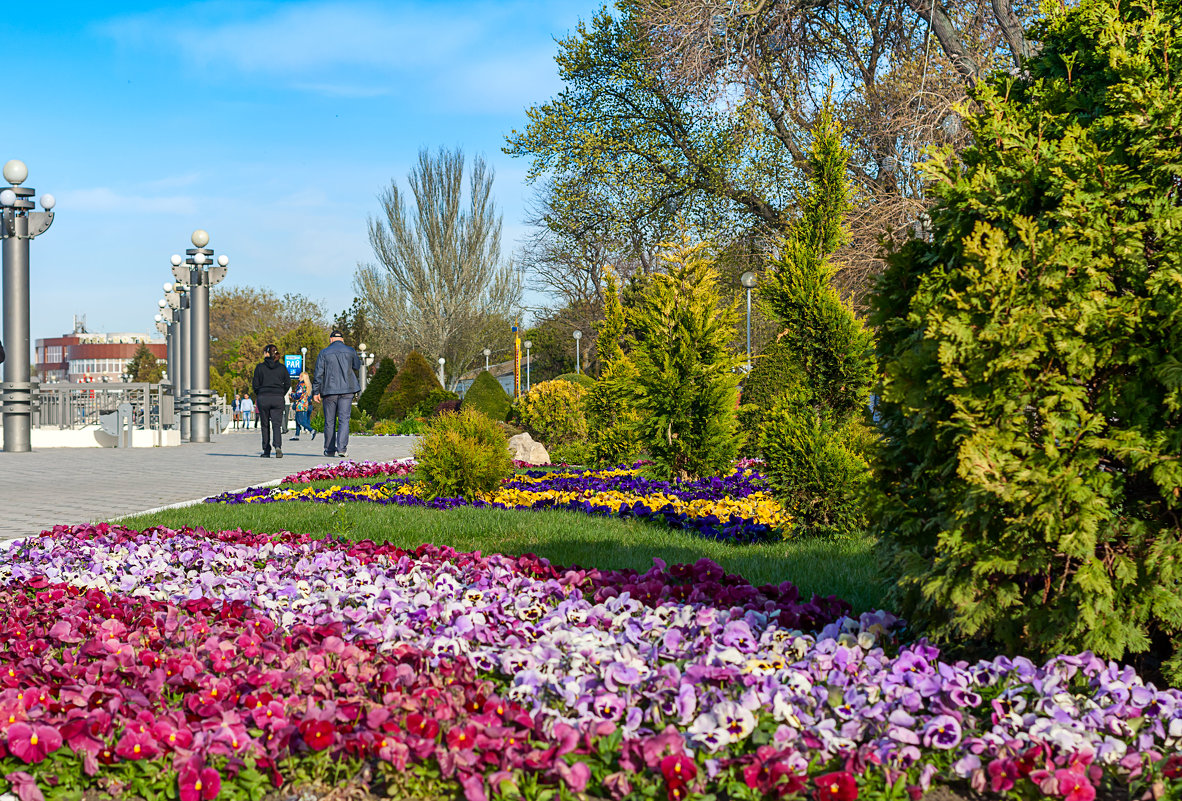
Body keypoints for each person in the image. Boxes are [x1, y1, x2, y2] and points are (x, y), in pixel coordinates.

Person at [312, 330, 360, 458]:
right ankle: (342, 449)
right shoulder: (350, 351)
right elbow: (357, 366)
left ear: (330, 339)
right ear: (342, 339)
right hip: (347, 390)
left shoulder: (324, 352)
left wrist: (315, 391)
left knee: (330, 421)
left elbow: (318, 373)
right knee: (344, 420)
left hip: (329, 390)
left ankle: (329, 449)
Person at [251, 344, 289, 458]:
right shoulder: (282, 368)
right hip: (277, 398)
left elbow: (255, 384)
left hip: (264, 397)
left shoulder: (260, 367)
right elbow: (287, 383)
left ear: (267, 353)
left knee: (265, 425)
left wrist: (260, 393)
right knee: (277, 425)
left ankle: (266, 449)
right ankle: (278, 446)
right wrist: (280, 393)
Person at [290, 371, 315, 441]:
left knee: (301, 421)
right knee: (297, 420)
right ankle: (296, 435)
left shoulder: (301, 385)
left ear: (303, 377)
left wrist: (292, 395)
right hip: (305, 404)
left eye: (300, 376)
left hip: (300, 405)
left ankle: (312, 430)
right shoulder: (308, 385)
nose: (298, 377)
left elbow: (298, 395)